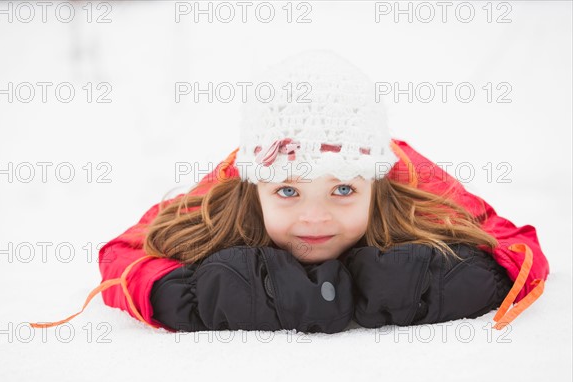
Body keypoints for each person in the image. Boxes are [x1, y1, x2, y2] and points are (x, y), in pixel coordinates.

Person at [29, 50, 549, 334]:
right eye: (288, 192)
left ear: (373, 182)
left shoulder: (402, 172)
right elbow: (121, 255)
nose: (314, 218)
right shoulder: (237, 179)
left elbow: (519, 250)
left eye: (343, 188)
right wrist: (199, 296)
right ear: (255, 187)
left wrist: (434, 281)